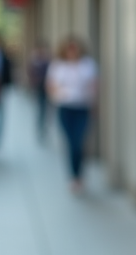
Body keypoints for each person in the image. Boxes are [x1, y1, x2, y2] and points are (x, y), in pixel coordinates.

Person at [46, 36, 97, 193]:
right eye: (70, 48)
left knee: (78, 142)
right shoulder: (58, 66)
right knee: (70, 143)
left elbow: (94, 86)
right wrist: (59, 95)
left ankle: (79, 174)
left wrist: (93, 104)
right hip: (65, 108)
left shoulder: (87, 65)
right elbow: (50, 86)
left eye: (75, 48)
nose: (72, 52)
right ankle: (74, 176)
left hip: (82, 108)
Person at [27, 41, 51, 142]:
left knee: (45, 110)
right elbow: (31, 74)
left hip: (48, 89)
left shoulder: (48, 61)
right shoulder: (35, 61)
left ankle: (43, 128)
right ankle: (40, 129)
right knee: (41, 109)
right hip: (39, 89)